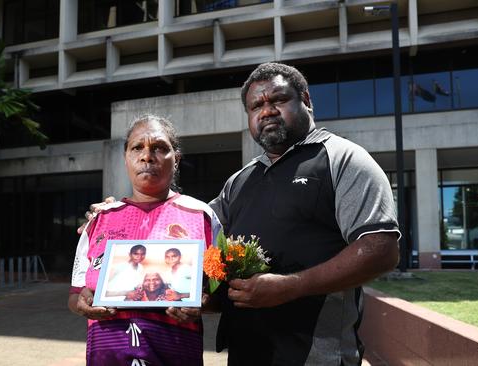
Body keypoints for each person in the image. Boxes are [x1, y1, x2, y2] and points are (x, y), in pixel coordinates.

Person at [80, 63, 400, 366]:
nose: (267, 111)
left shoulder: (344, 160)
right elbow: (185, 234)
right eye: (256, 106)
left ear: (305, 100)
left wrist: (291, 286)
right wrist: (116, 216)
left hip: (317, 354)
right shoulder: (240, 182)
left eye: (278, 100)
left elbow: (381, 250)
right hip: (247, 353)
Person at [68, 114, 222, 366]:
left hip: (176, 355)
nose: (147, 156)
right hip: (108, 356)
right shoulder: (100, 219)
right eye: (137, 147)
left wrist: (202, 304)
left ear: (177, 159)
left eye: (159, 148)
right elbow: (74, 296)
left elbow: (222, 295)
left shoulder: (202, 217)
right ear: (125, 158)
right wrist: (83, 304)